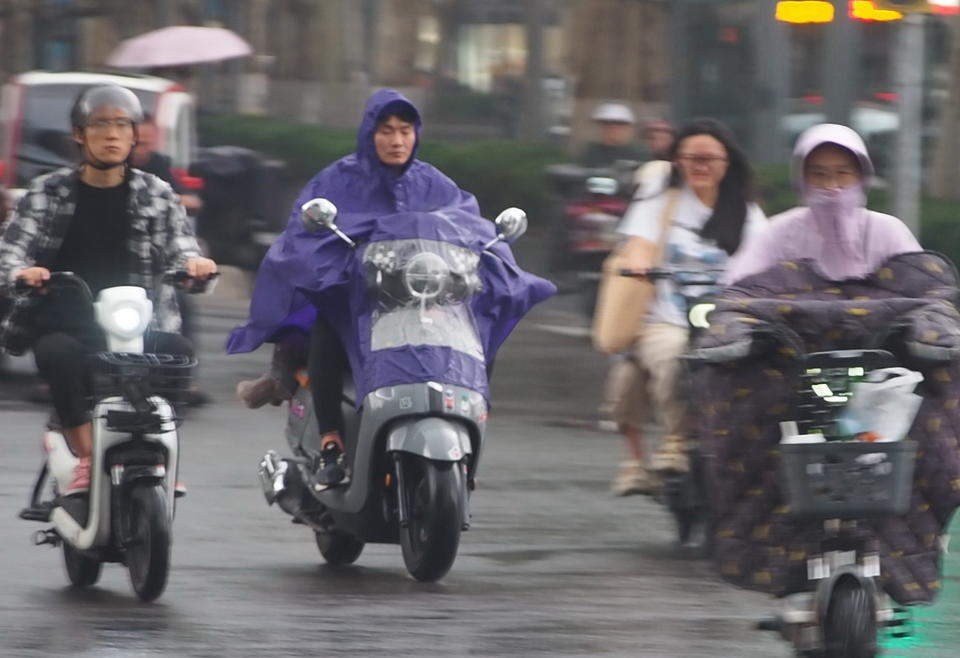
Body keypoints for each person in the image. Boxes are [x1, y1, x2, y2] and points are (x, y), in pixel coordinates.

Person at [233, 89, 482, 489]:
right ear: (370, 133)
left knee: (473, 334)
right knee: (328, 329)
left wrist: (481, 250)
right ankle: (331, 441)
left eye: (405, 130)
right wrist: (336, 265)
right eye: (386, 131)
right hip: (357, 303)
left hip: (422, 306)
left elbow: (466, 226)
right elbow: (302, 233)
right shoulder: (337, 179)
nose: (397, 140)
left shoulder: (434, 184)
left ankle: (465, 432)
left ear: (416, 134)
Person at [0, 85, 217, 496]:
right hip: (67, 316)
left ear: (135, 135)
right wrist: (24, 273)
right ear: (79, 135)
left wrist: (196, 266)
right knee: (56, 354)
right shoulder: (47, 192)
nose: (112, 135)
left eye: (122, 125)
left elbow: (181, 247)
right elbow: (10, 251)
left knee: (178, 353)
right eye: (101, 124)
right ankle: (84, 456)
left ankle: (158, 451)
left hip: (137, 319)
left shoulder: (156, 193)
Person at [607, 118, 767, 495]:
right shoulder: (658, 202)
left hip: (727, 317)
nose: (701, 166)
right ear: (677, 160)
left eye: (710, 158)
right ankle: (673, 443)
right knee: (674, 356)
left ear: (727, 163)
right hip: (666, 317)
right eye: (691, 157)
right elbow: (638, 244)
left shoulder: (747, 212)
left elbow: (765, 259)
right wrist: (640, 260)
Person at [724, 123, 920, 284]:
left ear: (861, 177)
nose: (831, 186)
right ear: (802, 179)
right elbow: (739, 285)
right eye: (819, 174)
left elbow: (922, 290)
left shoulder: (888, 231)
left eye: (842, 173)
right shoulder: (779, 232)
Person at [576, 102, 646, 168]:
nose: (612, 129)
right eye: (606, 124)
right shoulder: (590, 152)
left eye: (619, 125)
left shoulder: (638, 154)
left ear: (629, 128)